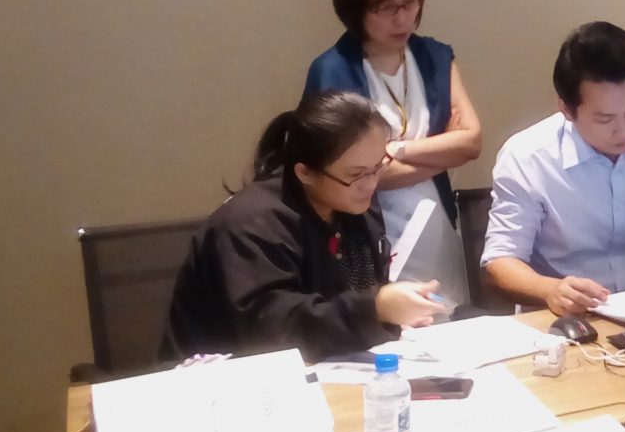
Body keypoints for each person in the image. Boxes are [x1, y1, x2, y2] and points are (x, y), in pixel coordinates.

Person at [162, 91, 449, 363]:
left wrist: (392, 316)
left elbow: (355, 300)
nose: (371, 183)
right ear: (305, 172)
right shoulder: (249, 223)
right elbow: (271, 329)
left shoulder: (354, 204)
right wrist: (375, 309)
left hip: (330, 364)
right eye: (357, 174)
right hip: (223, 377)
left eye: (378, 166)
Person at [480, 22, 625, 315]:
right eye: (605, 119)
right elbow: (499, 262)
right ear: (567, 110)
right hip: (569, 317)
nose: (624, 129)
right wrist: (550, 290)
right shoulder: (527, 157)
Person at [304, 0, 481, 308]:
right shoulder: (332, 71)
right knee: (385, 322)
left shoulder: (434, 56)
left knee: (447, 319)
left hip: (436, 224)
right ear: (355, 8)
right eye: (385, 7)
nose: (402, 18)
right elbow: (350, 176)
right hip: (364, 233)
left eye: (410, 2)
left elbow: (471, 143)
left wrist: (395, 151)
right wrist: (441, 153)